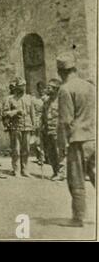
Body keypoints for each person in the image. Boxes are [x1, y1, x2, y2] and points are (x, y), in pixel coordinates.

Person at [57, 52, 96, 227]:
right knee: (95, 175)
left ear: (60, 71)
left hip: (78, 140)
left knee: (76, 179)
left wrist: (63, 144)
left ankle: (78, 217)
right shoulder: (90, 87)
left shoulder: (65, 89)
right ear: (74, 68)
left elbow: (66, 120)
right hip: (94, 137)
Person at [2, 77, 36, 177]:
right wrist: (15, 112)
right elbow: (4, 113)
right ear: (16, 87)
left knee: (26, 149)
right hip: (15, 127)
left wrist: (34, 126)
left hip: (27, 126)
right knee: (16, 149)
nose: (22, 88)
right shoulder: (10, 99)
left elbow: (32, 113)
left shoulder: (29, 98)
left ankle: (25, 169)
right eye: (20, 86)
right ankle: (16, 169)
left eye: (24, 85)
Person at [41, 78, 64, 181]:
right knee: (51, 152)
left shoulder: (61, 101)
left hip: (58, 130)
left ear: (56, 89)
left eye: (49, 87)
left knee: (59, 152)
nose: (47, 89)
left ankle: (61, 173)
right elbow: (43, 114)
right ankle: (55, 171)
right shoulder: (46, 101)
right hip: (47, 130)